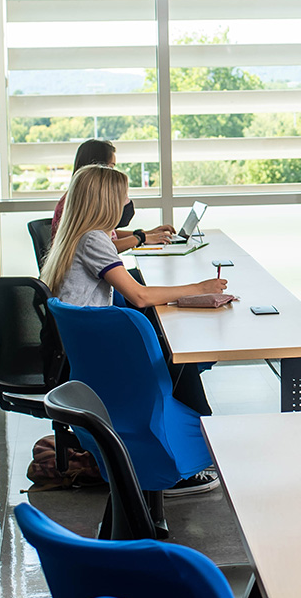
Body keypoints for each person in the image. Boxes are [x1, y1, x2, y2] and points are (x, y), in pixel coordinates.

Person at [41, 163, 229, 494]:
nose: (127, 204)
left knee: (172, 344)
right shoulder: (94, 239)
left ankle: (194, 443)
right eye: (124, 197)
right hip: (107, 354)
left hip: (89, 349)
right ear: (106, 201)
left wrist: (145, 240)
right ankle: (188, 457)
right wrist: (198, 289)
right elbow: (139, 297)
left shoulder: (77, 236)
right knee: (177, 353)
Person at [49, 139, 176, 251]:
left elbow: (107, 237)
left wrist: (146, 234)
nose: (112, 173)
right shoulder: (79, 203)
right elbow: (100, 248)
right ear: (96, 169)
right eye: (110, 167)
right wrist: (141, 238)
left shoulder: (82, 198)